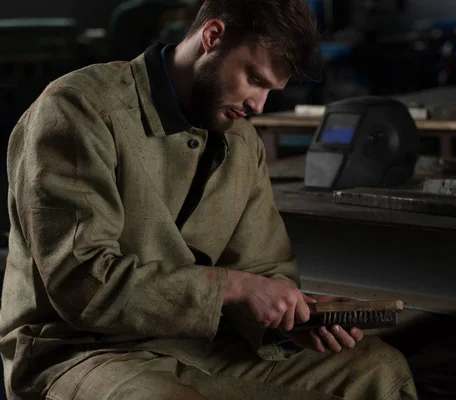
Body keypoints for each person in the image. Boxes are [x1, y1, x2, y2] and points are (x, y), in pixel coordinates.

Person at [0, 0, 418, 399]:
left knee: (378, 372)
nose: (258, 104)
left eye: (272, 90)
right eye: (254, 79)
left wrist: (287, 321)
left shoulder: (242, 144)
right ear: (212, 36)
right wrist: (231, 289)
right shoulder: (79, 111)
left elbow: (262, 268)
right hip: (76, 352)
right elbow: (83, 284)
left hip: (195, 345)